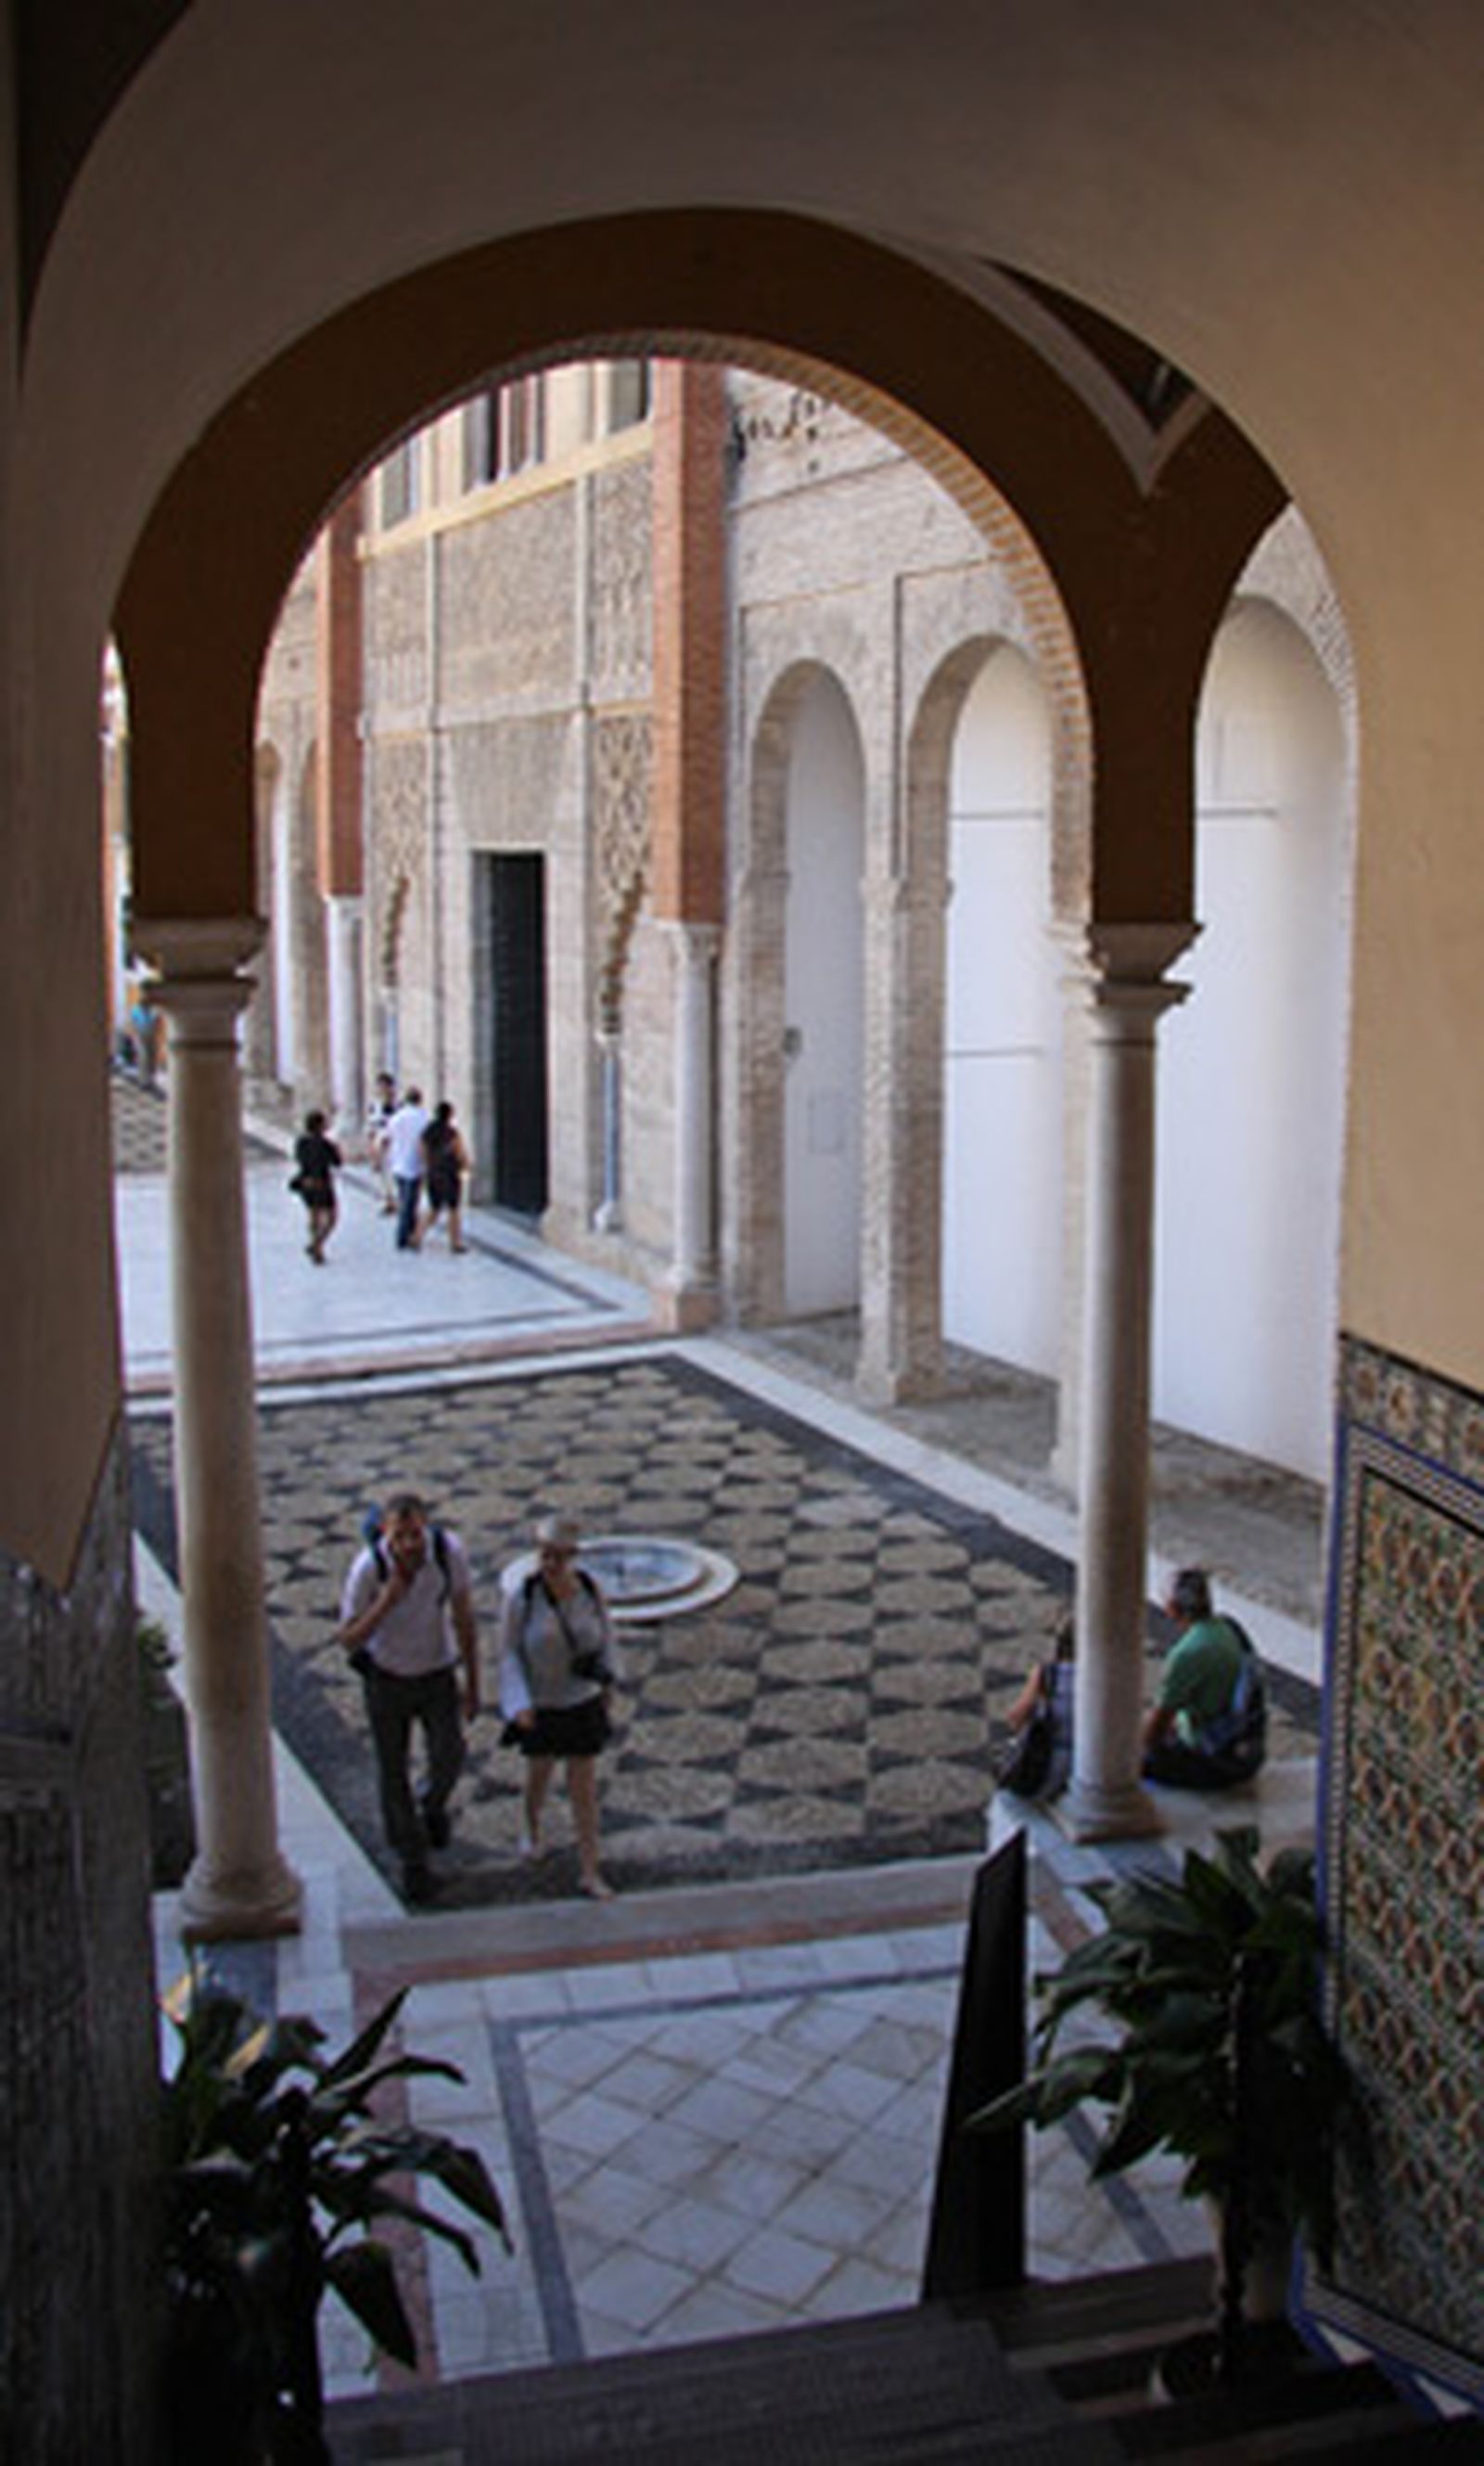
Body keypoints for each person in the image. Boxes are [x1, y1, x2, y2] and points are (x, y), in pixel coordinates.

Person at [336, 1490, 480, 1903]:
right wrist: (387, 1601)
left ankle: (431, 1805)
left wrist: (473, 1682)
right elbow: (347, 1638)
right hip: (387, 1679)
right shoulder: (368, 1569)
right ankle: (413, 1863)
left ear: (427, 1527)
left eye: (416, 1534)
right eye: (401, 1537)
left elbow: (464, 1615)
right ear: (385, 1533)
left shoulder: (448, 1552)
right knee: (392, 1770)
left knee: (449, 1753)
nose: (410, 1545)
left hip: (436, 1671)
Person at [498, 1512, 619, 1899]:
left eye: (558, 1556)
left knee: (583, 1787)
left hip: (581, 1698)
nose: (550, 1564)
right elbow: (509, 1653)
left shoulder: (588, 1588)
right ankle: (532, 1827)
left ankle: (589, 1868)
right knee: (540, 1772)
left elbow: (606, 1637)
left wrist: (609, 1680)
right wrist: (518, 1702)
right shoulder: (524, 1596)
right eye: (544, 1555)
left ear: (573, 1556)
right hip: (543, 1702)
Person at [1142, 1565, 1267, 1790]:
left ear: (1172, 1608)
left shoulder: (1186, 1655)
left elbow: (1156, 1728)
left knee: (1121, 1760)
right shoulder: (1227, 1628)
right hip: (1241, 1750)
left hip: (1213, 1759)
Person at [998, 1613, 1075, 1801]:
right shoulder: (1110, 1680)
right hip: (1098, 1766)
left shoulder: (1048, 1673)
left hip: (1050, 1766)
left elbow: (1016, 1719)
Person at [415, 1099, 471, 1252]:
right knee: (453, 1209)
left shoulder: (427, 1131)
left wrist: (429, 1165)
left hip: (433, 1174)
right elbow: (459, 1152)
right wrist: (466, 1166)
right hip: (449, 1174)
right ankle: (455, 1242)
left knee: (434, 1208)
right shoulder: (452, 1133)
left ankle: (417, 1237)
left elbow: (421, 1150)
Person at [290, 1107, 341, 1264]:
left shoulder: (301, 1143)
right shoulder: (326, 1144)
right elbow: (337, 1162)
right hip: (322, 1183)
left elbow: (298, 1159)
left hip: (306, 1182)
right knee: (331, 1218)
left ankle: (315, 1243)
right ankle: (318, 1244)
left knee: (314, 1215)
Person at [384, 1085, 430, 1251]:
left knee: (405, 1200)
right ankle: (403, 1236)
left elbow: (386, 1138)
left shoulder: (396, 1118)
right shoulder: (424, 1117)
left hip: (397, 1163)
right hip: (415, 1164)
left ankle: (409, 1233)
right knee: (410, 1203)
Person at [365, 1070, 398, 1213]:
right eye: (380, 1087)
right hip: (379, 1141)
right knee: (382, 1173)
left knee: (393, 1172)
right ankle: (388, 1200)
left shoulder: (398, 1105)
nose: (382, 1090)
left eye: (385, 1086)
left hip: (394, 1142)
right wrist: (371, 1147)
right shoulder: (374, 1106)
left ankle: (396, 1200)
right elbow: (371, 1127)